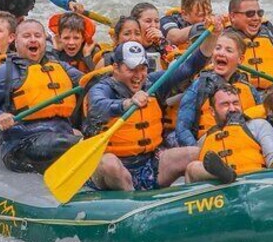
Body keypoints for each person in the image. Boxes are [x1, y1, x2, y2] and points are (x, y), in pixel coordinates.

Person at [83, 17, 220, 192]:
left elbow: (191, 67)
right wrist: (127, 103)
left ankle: (194, 199)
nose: (138, 75)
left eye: (142, 68)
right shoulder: (101, 88)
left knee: (195, 153)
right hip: (113, 169)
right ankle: (133, 204)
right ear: (116, 68)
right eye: (131, 69)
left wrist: (213, 36)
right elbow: (99, 105)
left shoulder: (152, 83)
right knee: (109, 163)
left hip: (149, 165)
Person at [0, 19, 84, 173]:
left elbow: (91, 82)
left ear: (44, 40)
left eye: (37, 35)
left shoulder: (61, 68)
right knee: (72, 143)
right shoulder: (2, 73)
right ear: (15, 40)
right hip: (20, 145)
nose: (33, 39)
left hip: (60, 137)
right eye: (26, 36)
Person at [175, 31, 261, 147]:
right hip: (210, 143)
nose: (221, 53)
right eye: (218, 48)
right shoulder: (200, 85)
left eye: (228, 50)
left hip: (241, 142)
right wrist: (199, 152)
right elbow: (182, 129)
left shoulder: (248, 87)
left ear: (240, 59)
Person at [225, 0, 273, 89]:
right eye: (250, 14)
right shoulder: (220, 41)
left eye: (259, 13)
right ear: (233, 16)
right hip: (238, 98)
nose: (256, 18)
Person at [132, 2, 177, 71]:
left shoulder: (161, 44)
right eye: (148, 21)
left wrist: (162, 41)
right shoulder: (128, 46)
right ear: (135, 23)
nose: (153, 26)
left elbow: (178, 62)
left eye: (156, 21)